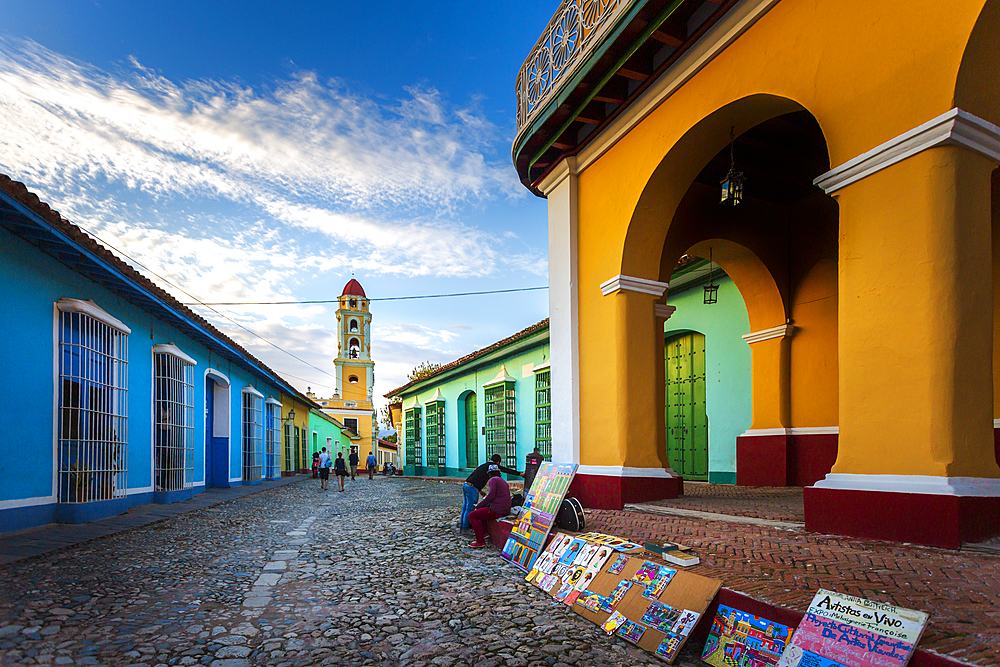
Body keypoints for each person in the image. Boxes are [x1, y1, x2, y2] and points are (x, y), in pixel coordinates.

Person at [461, 454, 522, 532]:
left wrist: (480, 490)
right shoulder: (493, 467)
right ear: (498, 462)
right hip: (472, 487)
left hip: (467, 484)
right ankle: (466, 527)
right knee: (470, 507)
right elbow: (506, 470)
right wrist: (520, 474)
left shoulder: (484, 465)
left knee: (466, 506)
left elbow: (477, 477)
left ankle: (462, 524)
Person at [467, 464, 511, 548]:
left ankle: (480, 541)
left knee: (472, 515)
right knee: (482, 514)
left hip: (497, 509)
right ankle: (485, 533)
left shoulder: (493, 480)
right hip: (504, 508)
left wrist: (479, 505)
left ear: (489, 474)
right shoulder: (502, 481)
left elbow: (491, 495)